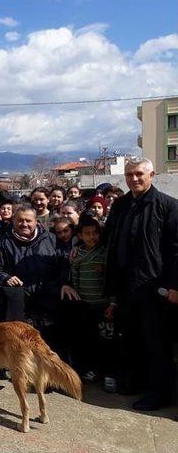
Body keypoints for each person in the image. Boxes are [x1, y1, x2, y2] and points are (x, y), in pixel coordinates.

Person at [103, 158, 178, 410]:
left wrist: (174, 286)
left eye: (139, 174)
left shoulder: (168, 207)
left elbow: (176, 250)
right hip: (126, 287)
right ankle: (137, 383)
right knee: (132, 339)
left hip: (154, 287)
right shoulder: (121, 205)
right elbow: (110, 242)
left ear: (151, 175)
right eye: (129, 174)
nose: (134, 179)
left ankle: (160, 394)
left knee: (157, 343)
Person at [0, 205, 63, 341]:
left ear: (36, 221)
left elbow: (63, 265)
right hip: (18, 303)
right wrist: (5, 278)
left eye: (28, 221)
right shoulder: (3, 244)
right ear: (13, 221)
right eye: (20, 220)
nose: (24, 224)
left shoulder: (51, 239)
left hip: (47, 301)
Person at [60, 214, 113, 385]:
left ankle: (109, 373)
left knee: (107, 341)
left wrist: (113, 302)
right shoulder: (76, 254)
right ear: (80, 236)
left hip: (104, 306)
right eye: (87, 233)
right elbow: (74, 278)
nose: (92, 237)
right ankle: (90, 370)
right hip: (85, 305)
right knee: (88, 340)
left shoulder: (105, 253)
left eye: (95, 233)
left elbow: (112, 280)